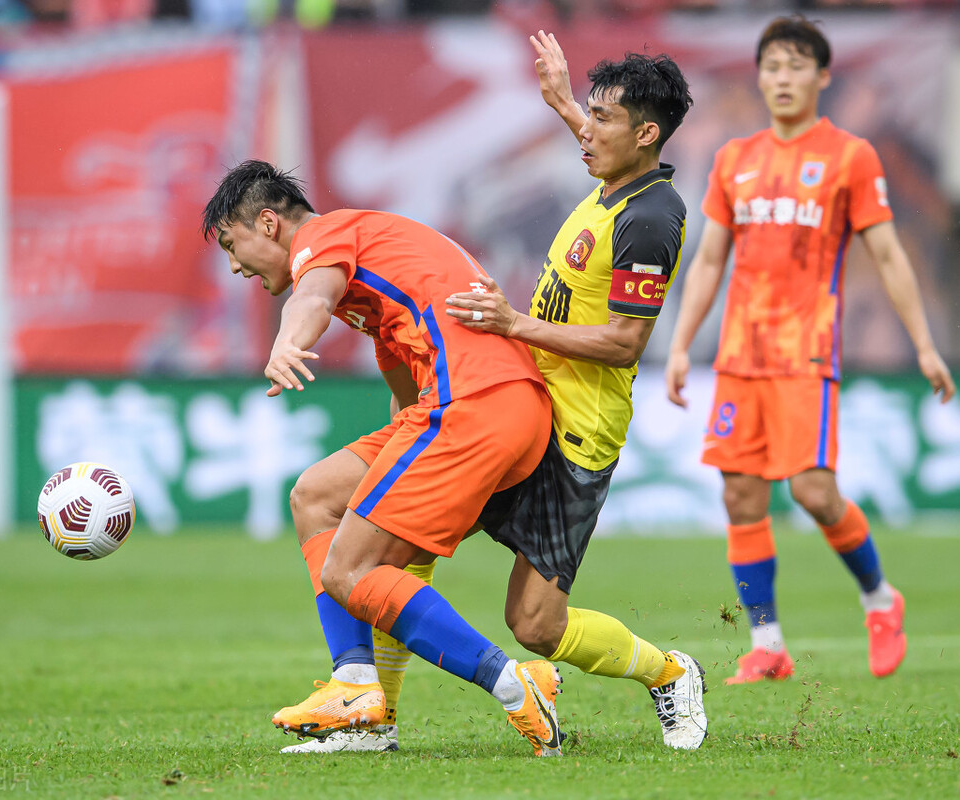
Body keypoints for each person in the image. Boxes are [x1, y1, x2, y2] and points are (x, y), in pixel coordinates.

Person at [201, 159, 566, 757]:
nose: (235, 264)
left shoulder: (324, 240)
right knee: (315, 496)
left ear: (268, 223)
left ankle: (514, 682)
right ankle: (358, 696)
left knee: (349, 570)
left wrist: (287, 341)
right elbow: (399, 371)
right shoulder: (365, 262)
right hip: (488, 406)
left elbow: (311, 299)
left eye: (231, 244)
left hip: (474, 402)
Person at [663, 15, 956, 684]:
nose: (783, 78)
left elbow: (887, 251)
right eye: (772, 66)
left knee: (815, 493)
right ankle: (768, 645)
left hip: (806, 354)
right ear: (759, 77)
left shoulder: (850, 156)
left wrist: (924, 344)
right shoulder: (736, 159)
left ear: (823, 76)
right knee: (740, 497)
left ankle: (881, 599)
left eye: (797, 66)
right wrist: (680, 345)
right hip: (739, 355)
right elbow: (709, 259)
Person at [443, 32, 707, 750]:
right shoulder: (617, 179)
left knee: (534, 625)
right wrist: (562, 100)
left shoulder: (650, 219)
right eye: (586, 116)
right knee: (402, 542)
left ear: (646, 134)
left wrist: (513, 324)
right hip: (520, 410)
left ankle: (669, 672)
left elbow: (626, 342)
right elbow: (598, 139)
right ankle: (370, 712)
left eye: (603, 119)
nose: (586, 134)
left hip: (576, 434)